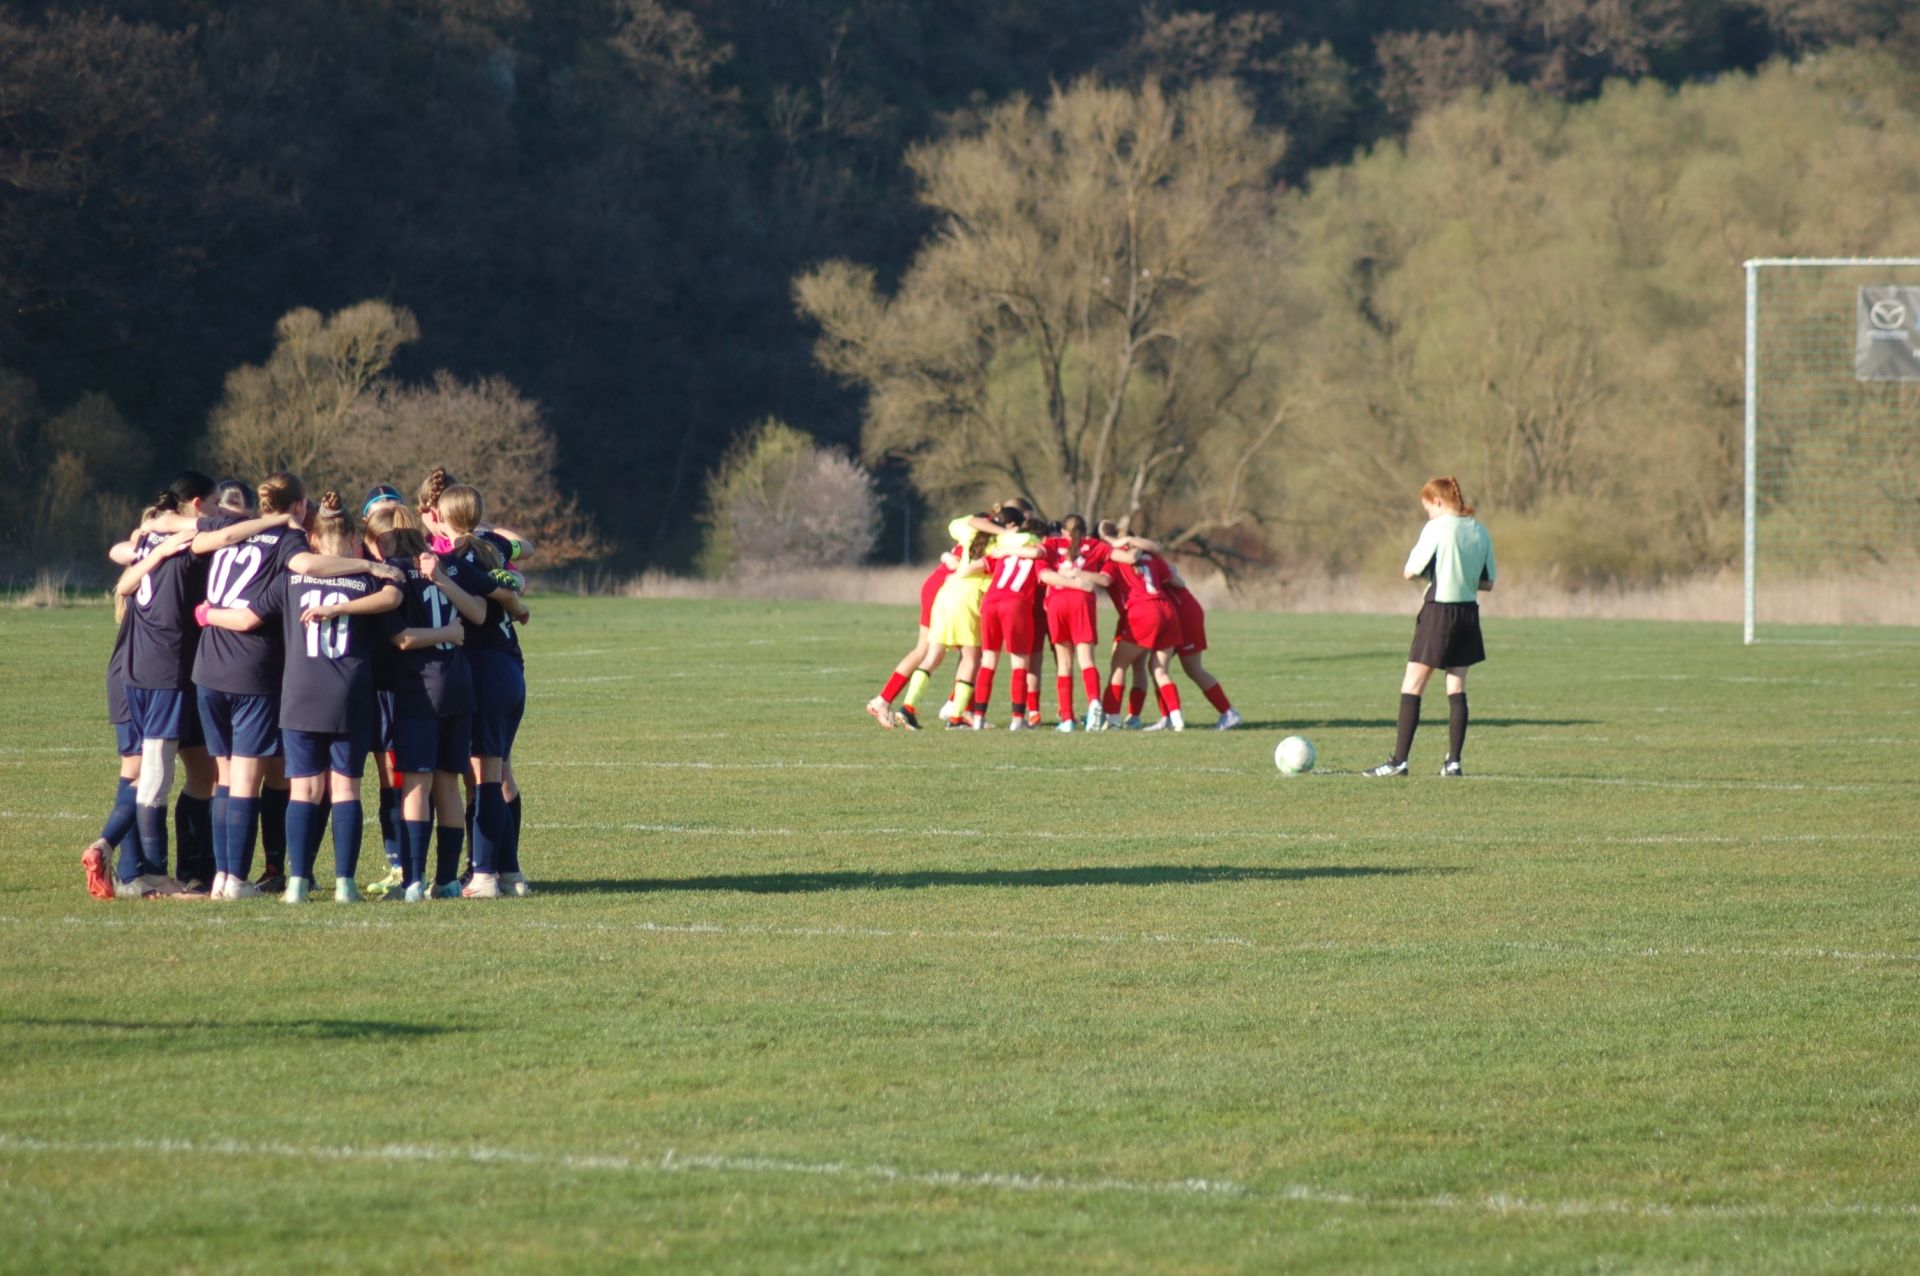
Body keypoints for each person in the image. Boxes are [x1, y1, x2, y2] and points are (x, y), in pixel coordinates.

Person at [1363, 476, 1496, 777]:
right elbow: (1488, 583)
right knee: (1456, 687)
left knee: (1412, 685)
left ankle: (1398, 762)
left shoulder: (1436, 528)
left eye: (1428, 508)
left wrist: (1437, 573)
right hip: (1468, 612)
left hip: (1439, 612)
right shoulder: (1480, 530)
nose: (1428, 514)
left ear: (1437, 501)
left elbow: (1410, 571)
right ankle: (1453, 763)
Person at [1099, 530, 1187, 731]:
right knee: (1160, 670)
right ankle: (1177, 719)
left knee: (1119, 665)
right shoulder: (1152, 557)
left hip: (1142, 612)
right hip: (1167, 610)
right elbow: (1175, 580)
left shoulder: (1114, 560)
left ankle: (1112, 719)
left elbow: (1105, 580)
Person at [972, 507, 1047, 730]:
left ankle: (978, 718)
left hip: (990, 602)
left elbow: (977, 565)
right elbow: (1041, 562)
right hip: (1016, 604)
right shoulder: (1038, 551)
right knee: (1019, 663)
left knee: (988, 662)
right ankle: (1017, 719)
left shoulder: (1003, 551)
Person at [1037, 515, 1111, 732]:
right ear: (1085, 531)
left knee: (1064, 663)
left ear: (1064, 532)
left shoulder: (1052, 544)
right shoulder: (1095, 545)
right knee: (1086, 659)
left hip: (1057, 602)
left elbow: (1042, 569)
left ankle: (1067, 719)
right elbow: (1118, 558)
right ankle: (1094, 703)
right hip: (1082, 601)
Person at [1161, 562, 1242, 731]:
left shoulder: (1141, 557)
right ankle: (1168, 716)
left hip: (1184, 614)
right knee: (1157, 667)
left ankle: (1229, 713)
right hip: (1171, 617)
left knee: (1192, 668)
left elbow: (1170, 570)